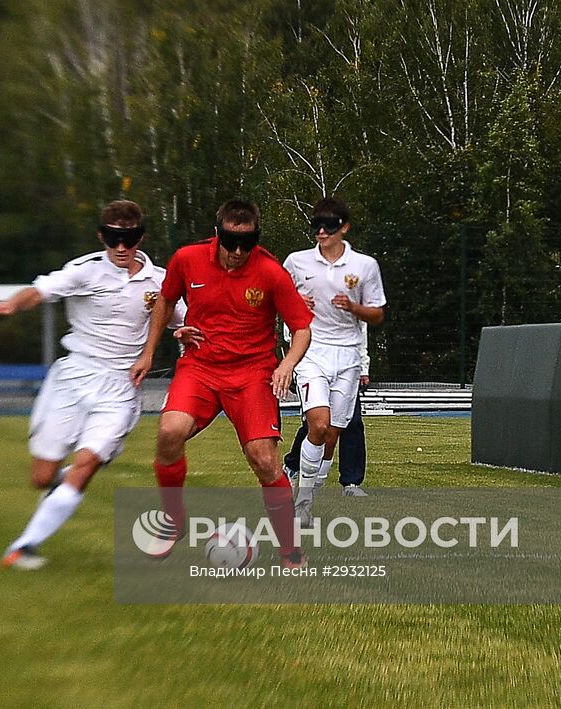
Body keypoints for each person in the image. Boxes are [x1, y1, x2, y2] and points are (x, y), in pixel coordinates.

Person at [0, 200, 184, 571]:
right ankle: (65, 481)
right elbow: (40, 290)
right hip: (73, 379)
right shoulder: (83, 272)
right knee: (42, 478)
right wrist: (11, 304)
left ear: (141, 236)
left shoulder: (159, 280)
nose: (121, 247)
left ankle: (23, 546)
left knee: (86, 463)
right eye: (113, 238)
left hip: (120, 387)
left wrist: (186, 331)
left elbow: (181, 317)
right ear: (101, 236)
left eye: (129, 238)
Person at [131, 198, 315, 568]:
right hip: (199, 367)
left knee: (263, 459)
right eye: (230, 242)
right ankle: (173, 519)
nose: (237, 251)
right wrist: (151, 351)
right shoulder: (188, 259)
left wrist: (288, 365)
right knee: (169, 433)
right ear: (217, 234)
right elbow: (166, 301)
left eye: (246, 243)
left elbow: (302, 328)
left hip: (252, 373)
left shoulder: (271, 272)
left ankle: (289, 549)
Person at [279, 198, 385, 521]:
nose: (322, 231)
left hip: (348, 356)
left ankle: (309, 492)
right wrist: (295, 302)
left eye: (330, 225)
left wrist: (354, 307)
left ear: (345, 227)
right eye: (316, 225)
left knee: (334, 432)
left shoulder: (364, 266)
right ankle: (302, 504)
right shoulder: (296, 262)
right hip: (311, 350)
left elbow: (377, 314)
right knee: (318, 424)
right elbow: (276, 299)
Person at [283, 330, 370, 495]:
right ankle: (293, 467)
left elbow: (360, 327)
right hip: (313, 361)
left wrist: (363, 366)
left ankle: (351, 482)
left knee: (352, 422)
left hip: (345, 364)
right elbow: (292, 322)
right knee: (317, 425)